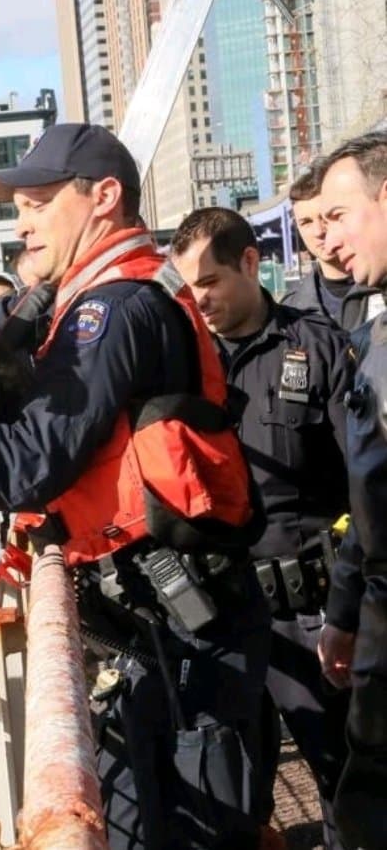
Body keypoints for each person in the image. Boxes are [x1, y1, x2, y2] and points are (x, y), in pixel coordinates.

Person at [0, 122, 271, 848]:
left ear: (103, 197)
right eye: (18, 207)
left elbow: (35, 460)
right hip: (156, 621)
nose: (21, 221)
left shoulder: (113, 307)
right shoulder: (92, 298)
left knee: (195, 829)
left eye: (36, 202)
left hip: (183, 628)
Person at [171, 206, 353, 849]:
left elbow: (369, 491)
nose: (201, 300)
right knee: (229, 798)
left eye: (211, 281)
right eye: (189, 288)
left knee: (342, 784)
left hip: (309, 615)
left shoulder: (322, 351)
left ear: (250, 263)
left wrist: (350, 612)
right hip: (219, 617)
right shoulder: (183, 369)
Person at [317, 130, 387, 850]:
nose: (325, 239)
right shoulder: (371, 330)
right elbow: (369, 494)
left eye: (338, 215)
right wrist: (344, 610)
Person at [282, 166, 383, 328]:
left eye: (325, 218)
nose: (319, 231)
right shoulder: (291, 306)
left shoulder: (380, 281)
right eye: (306, 222)